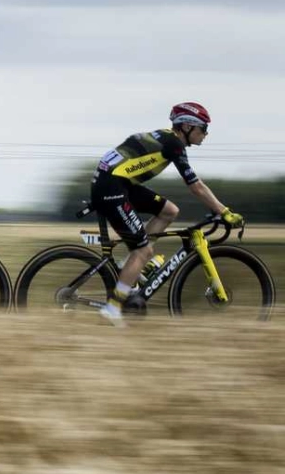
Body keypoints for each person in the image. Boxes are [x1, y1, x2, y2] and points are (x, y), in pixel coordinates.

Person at [92, 102, 244, 324]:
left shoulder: (167, 138)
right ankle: (113, 307)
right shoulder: (174, 144)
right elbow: (195, 186)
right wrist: (223, 211)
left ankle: (132, 262)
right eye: (203, 128)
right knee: (143, 251)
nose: (205, 134)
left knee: (169, 211)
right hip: (112, 187)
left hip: (119, 183)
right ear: (188, 127)